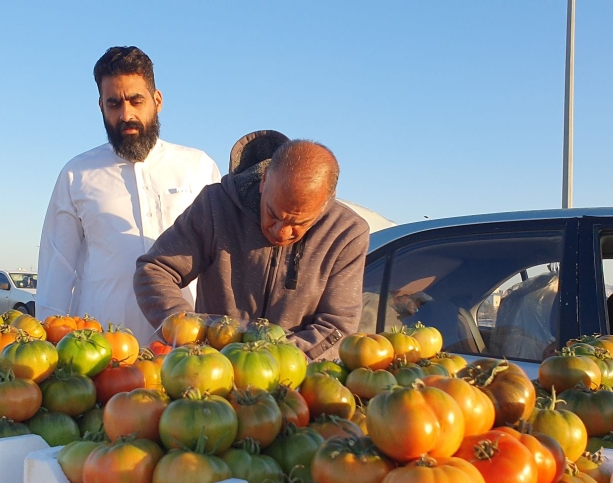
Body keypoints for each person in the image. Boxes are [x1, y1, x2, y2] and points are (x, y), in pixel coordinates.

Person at [36, 46, 221, 343]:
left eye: (137, 101)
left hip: (187, 351)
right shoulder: (76, 174)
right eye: (114, 104)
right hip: (100, 353)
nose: (126, 114)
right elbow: (56, 266)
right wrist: (46, 343)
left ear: (157, 100)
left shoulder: (198, 167)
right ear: (101, 106)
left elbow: (221, 261)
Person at [134, 131, 370, 360]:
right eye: (273, 213)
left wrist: (276, 360)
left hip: (294, 382)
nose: (281, 231)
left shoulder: (346, 234)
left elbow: (338, 324)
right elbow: (155, 270)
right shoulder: (215, 207)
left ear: (327, 201)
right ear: (264, 179)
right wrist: (185, 330)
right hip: (208, 372)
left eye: (299, 223)